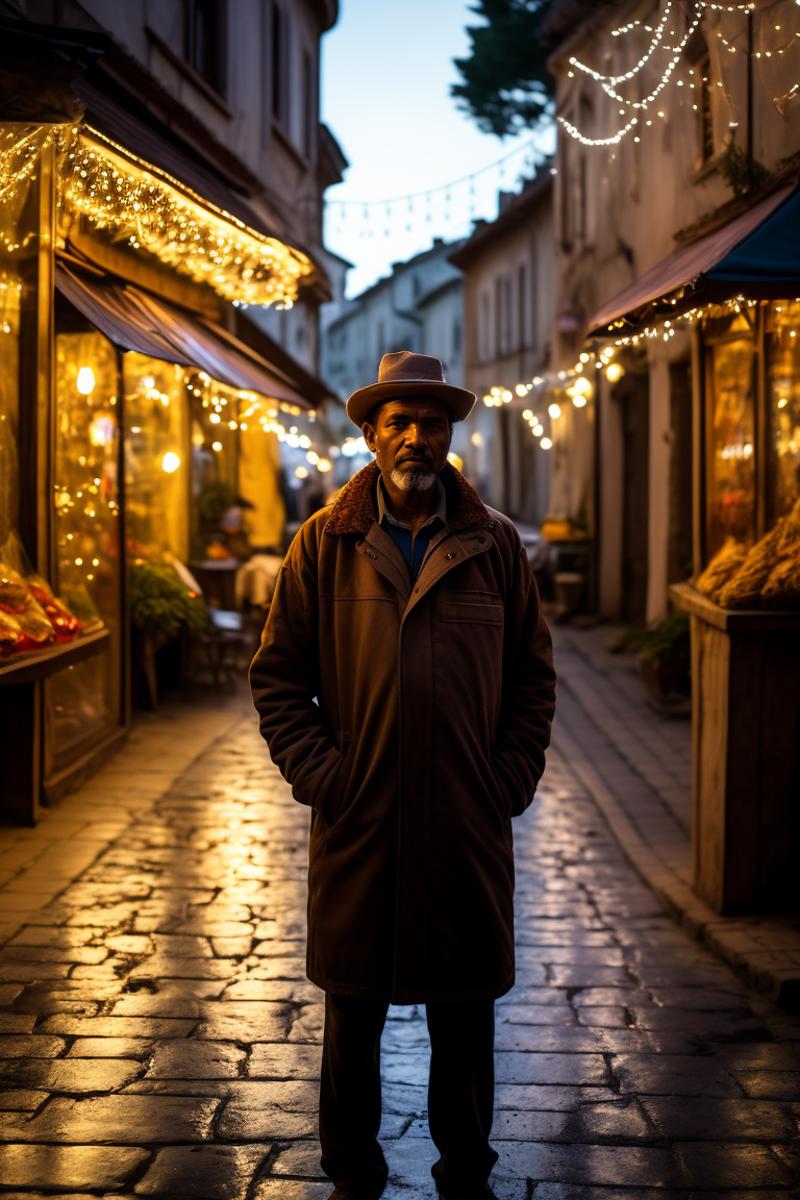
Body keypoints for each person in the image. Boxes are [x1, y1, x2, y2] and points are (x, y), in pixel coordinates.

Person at [249, 351, 556, 1200]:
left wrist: (508, 777)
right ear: (371, 436)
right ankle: (353, 1174)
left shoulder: (494, 547)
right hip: (363, 821)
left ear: (450, 433)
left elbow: (533, 675)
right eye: (399, 423)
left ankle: (467, 1170)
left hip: (466, 819)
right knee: (353, 1006)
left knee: (465, 1009)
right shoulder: (325, 543)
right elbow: (276, 677)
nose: (417, 438)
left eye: (431, 422)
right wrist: (327, 777)